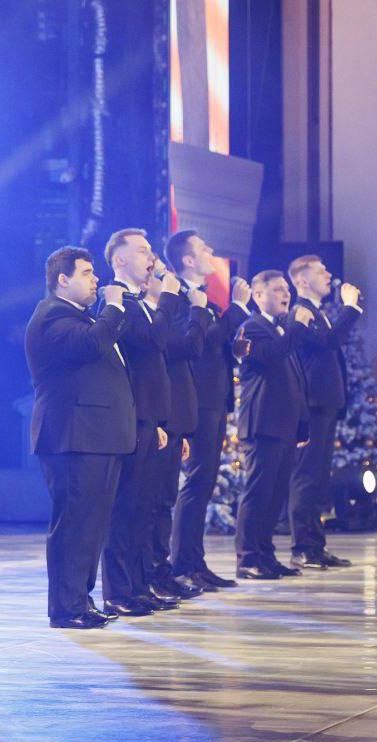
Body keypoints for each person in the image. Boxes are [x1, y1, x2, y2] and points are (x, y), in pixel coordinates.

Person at [25, 247, 136, 628]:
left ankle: (80, 600)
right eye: (87, 273)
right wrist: (114, 307)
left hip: (95, 437)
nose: (96, 280)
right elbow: (90, 345)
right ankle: (66, 607)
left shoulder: (79, 318)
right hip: (72, 437)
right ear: (63, 279)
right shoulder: (52, 316)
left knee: (92, 524)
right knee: (74, 524)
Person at [99, 228, 178, 617]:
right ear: (120, 260)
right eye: (144, 251)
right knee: (125, 507)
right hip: (128, 417)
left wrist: (158, 420)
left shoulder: (141, 303)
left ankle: (139, 584)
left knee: (144, 506)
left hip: (147, 417)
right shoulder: (118, 302)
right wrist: (169, 298)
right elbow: (154, 340)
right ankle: (118, 590)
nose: (152, 258)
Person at [164, 230, 248, 590]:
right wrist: (237, 308)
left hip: (213, 398)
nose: (211, 250)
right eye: (203, 248)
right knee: (196, 481)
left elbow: (214, 343)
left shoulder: (205, 300)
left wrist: (234, 349)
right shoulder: (180, 298)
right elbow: (197, 342)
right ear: (187, 260)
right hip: (195, 400)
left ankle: (196, 562)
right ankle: (182, 563)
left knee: (205, 481)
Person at [233, 270, 312, 580]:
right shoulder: (252, 327)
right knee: (258, 492)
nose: (286, 294)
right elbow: (270, 357)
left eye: (286, 289)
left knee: (275, 495)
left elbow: (296, 381)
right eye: (278, 289)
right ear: (258, 295)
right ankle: (247, 558)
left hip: (284, 426)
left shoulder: (281, 330)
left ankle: (265, 555)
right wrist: (296, 326)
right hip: (262, 424)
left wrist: (302, 424)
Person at [286, 255, 362, 571]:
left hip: (325, 404)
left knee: (318, 478)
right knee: (307, 477)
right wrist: (350, 308)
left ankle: (315, 545)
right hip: (312, 406)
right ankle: (303, 547)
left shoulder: (318, 312)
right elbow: (327, 343)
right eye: (321, 271)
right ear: (302, 281)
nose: (329, 275)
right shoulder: (300, 312)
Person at [142, 256, 210, 597]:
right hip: (161, 419)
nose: (169, 281)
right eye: (160, 276)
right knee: (154, 501)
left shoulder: (164, 316)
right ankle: (151, 574)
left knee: (165, 499)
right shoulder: (153, 316)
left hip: (175, 419)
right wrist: (199, 312)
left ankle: (161, 571)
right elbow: (189, 347)